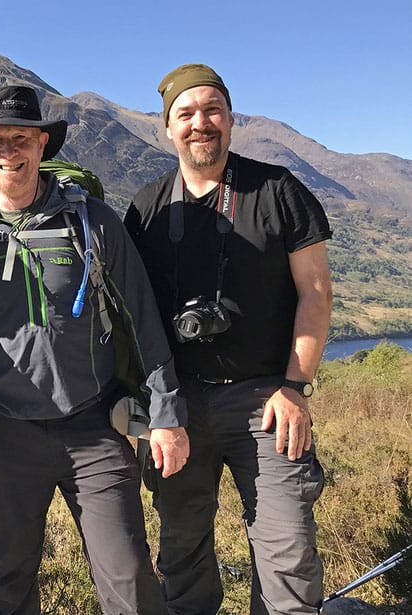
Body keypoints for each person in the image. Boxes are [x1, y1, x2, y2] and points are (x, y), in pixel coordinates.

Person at [0, 84, 189, 615]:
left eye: (21, 138)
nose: (8, 152)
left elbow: (142, 321)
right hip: (5, 432)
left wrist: (166, 414)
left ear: (43, 145)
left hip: (94, 427)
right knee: (10, 582)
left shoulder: (92, 224)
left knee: (130, 581)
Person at [124, 64, 333, 614]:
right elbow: (130, 315)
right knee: (182, 551)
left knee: (287, 553)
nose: (201, 123)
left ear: (231, 118)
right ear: (166, 127)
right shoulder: (146, 209)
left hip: (267, 399)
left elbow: (315, 295)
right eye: (186, 113)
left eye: (212, 109)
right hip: (178, 404)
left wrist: (296, 386)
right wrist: (144, 410)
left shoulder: (278, 191)